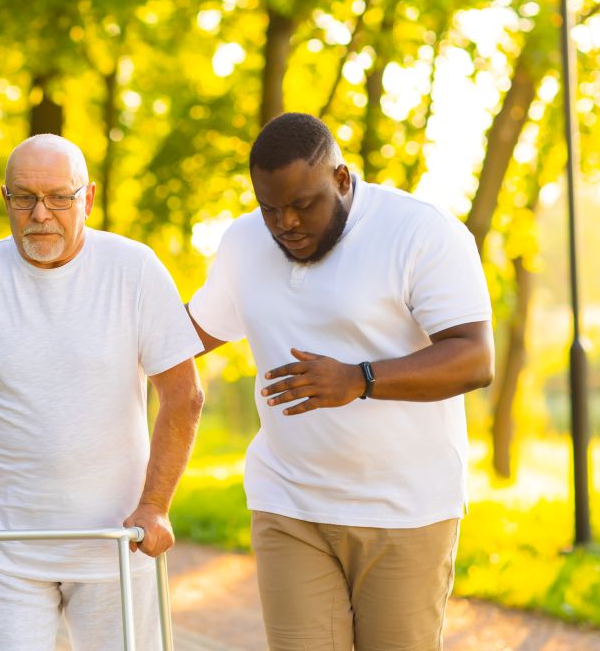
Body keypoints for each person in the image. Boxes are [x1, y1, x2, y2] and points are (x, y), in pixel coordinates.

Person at [187, 113, 494, 651]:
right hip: (289, 504)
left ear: (343, 179)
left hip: (403, 510)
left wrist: (361, 379)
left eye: (304, 205)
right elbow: (186, 334)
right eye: (270, 209)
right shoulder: (242, 243)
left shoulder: (420, 231)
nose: (286, 223)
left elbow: (473, 357)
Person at [0, 134, 204, 651]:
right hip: (5, 547)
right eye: (23, 197)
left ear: (87, 199)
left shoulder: (134, 270)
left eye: (59, 198)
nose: (40, 214)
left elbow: (183, 397)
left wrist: (155, 505)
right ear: (5, 199)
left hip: (116, 545)